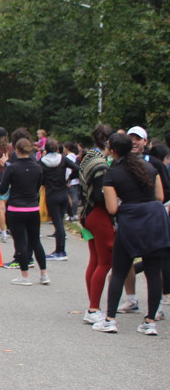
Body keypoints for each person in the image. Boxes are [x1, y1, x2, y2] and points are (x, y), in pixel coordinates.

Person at [92, 132, 170, 335]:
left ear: (112, 150)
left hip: (131, 222)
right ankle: (150, 321)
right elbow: (160, 196)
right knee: (153, 273)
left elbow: (112, 208)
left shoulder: (112, 173)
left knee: (119, 271)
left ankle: (110, 319)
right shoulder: (150, 167)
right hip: (155, 221)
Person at [0, 138, 48, 285]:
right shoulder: (38, 167)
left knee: (20, 241)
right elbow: (38, 186)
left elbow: (3, 189)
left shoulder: (12, 168)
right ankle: (44, 274)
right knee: (35, 241)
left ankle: (25, 275)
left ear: (16, 150)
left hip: (16, 208)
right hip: (33, 207)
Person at [80, 125, 114, 325]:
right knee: (104, 262)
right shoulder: (101, 164)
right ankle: (93, 308)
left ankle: (93, 304)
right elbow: (101, 195)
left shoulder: (88, 157)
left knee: (95, 260)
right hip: (99, 214)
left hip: (88, 213)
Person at [40, 138, 78, 261]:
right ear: (57, 149)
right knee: (60, 221)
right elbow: (77, 168)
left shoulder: (41, 162)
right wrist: (69, 178)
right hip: (63, 193)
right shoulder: (63, 159)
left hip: (51, 195)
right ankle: (59, 250)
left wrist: (43, 183)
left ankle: (60, 251)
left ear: (45, 150)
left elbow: (37, 175)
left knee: (58, 223)